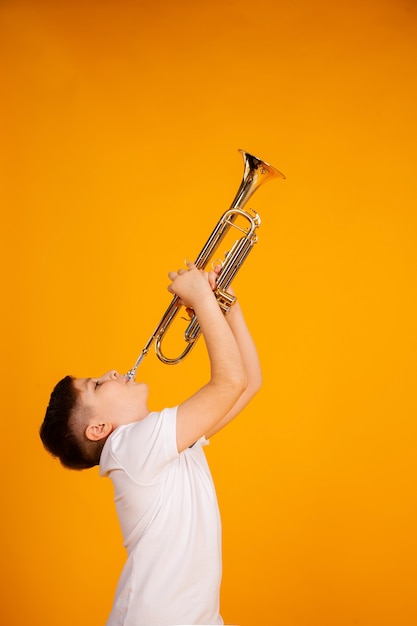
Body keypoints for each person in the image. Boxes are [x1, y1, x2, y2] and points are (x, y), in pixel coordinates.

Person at [40, 263, 262, 626]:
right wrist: (202, 300)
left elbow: (248, 382)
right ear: (98, 428)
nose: (111, 373)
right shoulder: (129, 448)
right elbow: (231, 382)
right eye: (97, 385)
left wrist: (225, 308)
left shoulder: (159, 445)